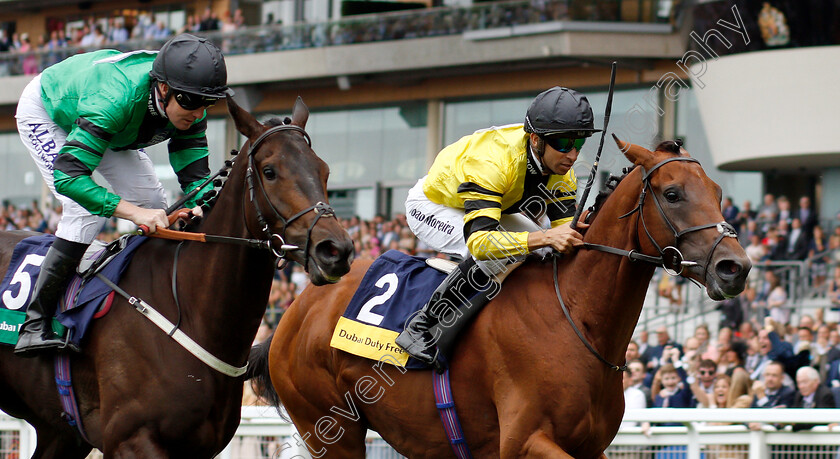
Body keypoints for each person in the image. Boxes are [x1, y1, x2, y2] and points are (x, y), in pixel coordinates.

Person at [13, 33, 232, 356]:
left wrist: (203, 206)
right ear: (163, 89)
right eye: (190, 102)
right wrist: (133, 214)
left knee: (157, 206)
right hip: (49, 112)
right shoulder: (115, 100)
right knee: (85, 211)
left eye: (207, 104)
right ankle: (35, 323)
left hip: (111, 126)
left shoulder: (190, 98)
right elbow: (69, 177)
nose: (199, 114)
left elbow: (193, 173)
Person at [395, 87, 597, 366]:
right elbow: (481, 242)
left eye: (579, 144)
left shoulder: (563, 172)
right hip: (433, 205)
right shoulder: (493, 161)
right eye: (563, 143)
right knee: (500, 253)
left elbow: (567, 235)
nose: (572, 155)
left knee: (543, 251)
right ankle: (421, 325)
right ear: (536, 140)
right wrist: (545, 236)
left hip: (490, 206)